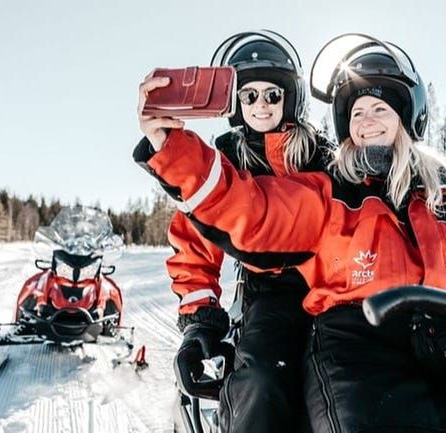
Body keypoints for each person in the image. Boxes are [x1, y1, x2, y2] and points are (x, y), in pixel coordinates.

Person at [135, 34, 446, 433]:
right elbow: (249, 212)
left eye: (380, 108)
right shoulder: (329, 188)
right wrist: (170, 146)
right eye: (358, 112)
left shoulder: (441, 199)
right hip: (333, 328)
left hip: (434, 340)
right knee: (262, 381)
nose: (368, 121)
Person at [137, 31, 330, 433]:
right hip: (271, 292)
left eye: (272, 95)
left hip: (332, 290)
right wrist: (199, 319)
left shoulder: (321, 154)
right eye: (249, 95)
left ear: (290, 98)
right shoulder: (223, 158)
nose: (261, 105)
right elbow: (194, 242)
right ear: (235, 103)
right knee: (261, 380)